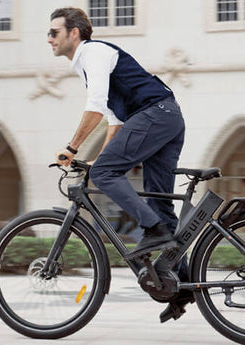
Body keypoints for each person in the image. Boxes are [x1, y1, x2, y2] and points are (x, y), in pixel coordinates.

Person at [48, 7, 193, 322]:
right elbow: (114, 122)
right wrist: (96, 160)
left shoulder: (93, 53)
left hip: (155, 115)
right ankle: (182, 286)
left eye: (53, 32)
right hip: (166, 118)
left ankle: (151, 228)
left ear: (74, 33)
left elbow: (96, 106)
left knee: (110, 178)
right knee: (161, 205)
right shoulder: (88, 63)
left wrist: (72, 149)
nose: (49, 39)